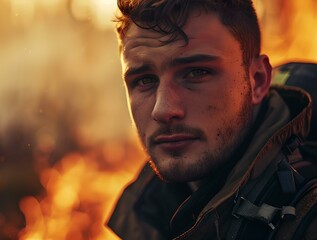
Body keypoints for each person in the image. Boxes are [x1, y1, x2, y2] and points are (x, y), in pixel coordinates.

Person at [107, 0, 317, 239]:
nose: (163, 109)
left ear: (257, 81)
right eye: (144, 80)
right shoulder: (150, 214)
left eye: (197, 73)